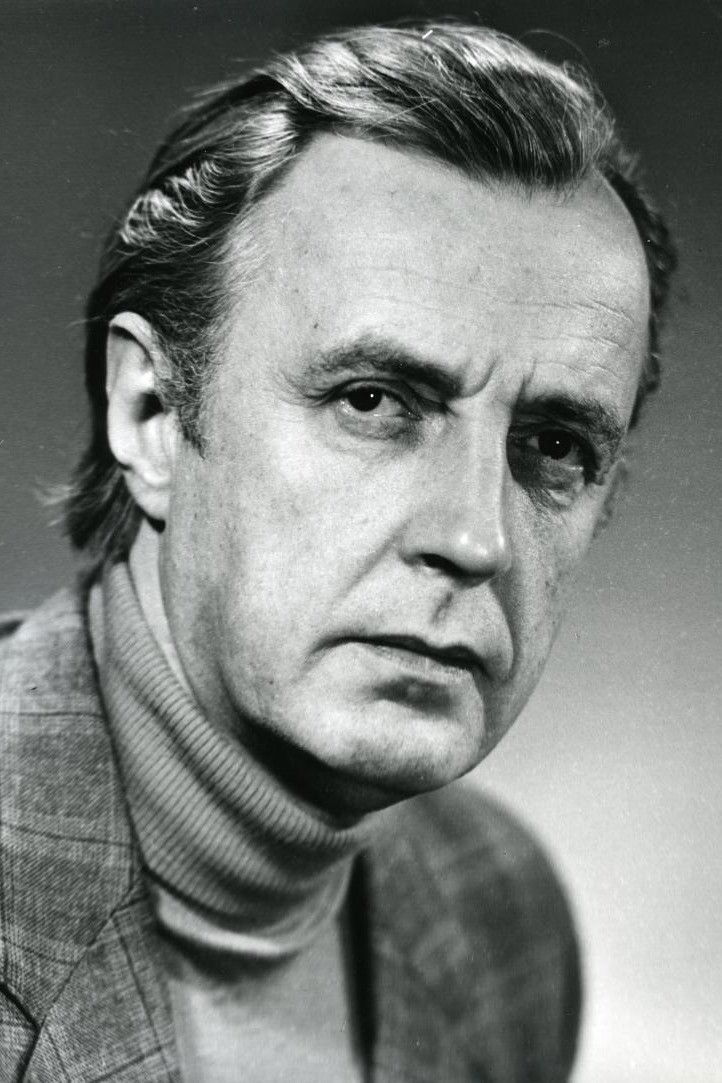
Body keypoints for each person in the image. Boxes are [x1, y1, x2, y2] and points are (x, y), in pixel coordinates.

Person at [0, 20, 675, 1083]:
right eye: (372, 401)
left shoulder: (499, 908)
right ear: (150, 413)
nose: (474, 538)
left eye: (553, 445)